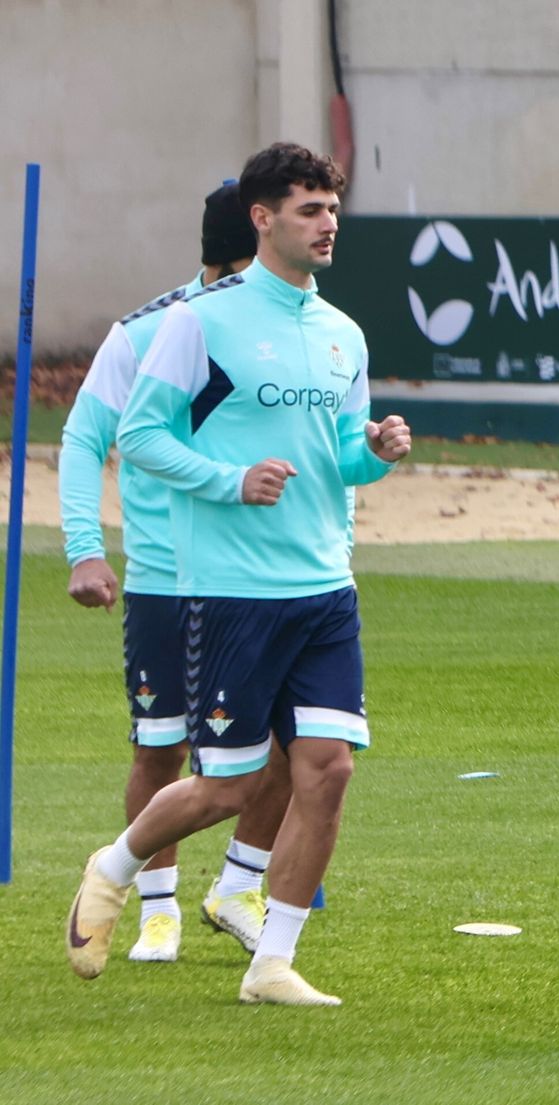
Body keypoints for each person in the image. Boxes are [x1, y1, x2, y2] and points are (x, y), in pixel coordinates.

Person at [65, 142, 411, 1005]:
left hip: (325, 587)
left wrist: (374, 453)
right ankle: (114, 867)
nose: (328, 224)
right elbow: (138, 438)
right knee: (228, 784)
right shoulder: (198, 321)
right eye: (309, 209)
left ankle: (272, 964)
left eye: (332, 208)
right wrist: (231, 481)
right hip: (229, 593)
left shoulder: (343, 334)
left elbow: (338, 458)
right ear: (262, 219)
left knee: (326, 768)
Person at [59, 182, 291, 964]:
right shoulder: (149, 330)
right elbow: (85, 439)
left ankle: (239, 886)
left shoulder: (295, 324)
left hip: (265, 575)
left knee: (296, 749)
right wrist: (85, 548)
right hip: (167, 578)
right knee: (159, 750)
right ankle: (157, 910)